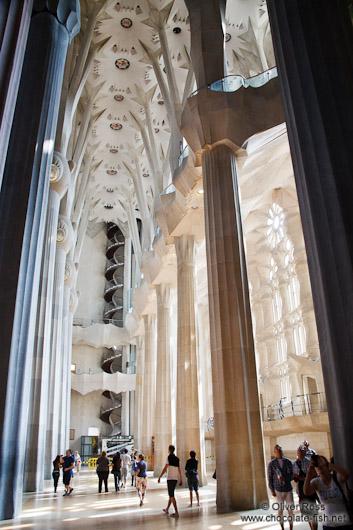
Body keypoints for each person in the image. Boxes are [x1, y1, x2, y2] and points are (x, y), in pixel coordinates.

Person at [304, 455, 353, 529]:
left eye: (321, 463)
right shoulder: (316, 482)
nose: (319, 466)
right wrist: (309, 471)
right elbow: (306, 491)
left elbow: (346, 475)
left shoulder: (336, 478)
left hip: (344, 523)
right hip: (328, 525)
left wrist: (328, 464)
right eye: (317, 464)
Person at [268, 444, 294, 530]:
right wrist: (272, 490)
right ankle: (282, 528)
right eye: (278, 450)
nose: (279, 451)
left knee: (290, 509)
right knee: (280, 510)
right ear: (275, 452)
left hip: (288, 488)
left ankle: (291, 527)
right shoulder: (272, 463)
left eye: (280, 450)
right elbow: (270, 477)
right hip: (278, 489)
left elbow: (291, 475)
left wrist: (285, 478)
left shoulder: (288, 461)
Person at [293, 445, 318, 530]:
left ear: (304, 452)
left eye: (302, 450)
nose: (300, 452)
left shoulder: (309, 462)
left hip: (310, 489)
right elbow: (295, 479)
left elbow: (314, 475)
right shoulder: (294, 464)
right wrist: (296, 478)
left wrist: (302, 478)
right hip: (300, 491)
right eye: (299, 450)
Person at [158, 445, 182, 518]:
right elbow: (179, 469)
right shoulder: (177, 459)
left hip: (170, 478)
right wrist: (180, 478)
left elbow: (165, 468)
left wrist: (160, 476)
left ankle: (176, 512)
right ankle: (167, 509)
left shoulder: (168, 458)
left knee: (171, 495)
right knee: (171, 494)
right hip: (175, 478)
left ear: (169, 450)